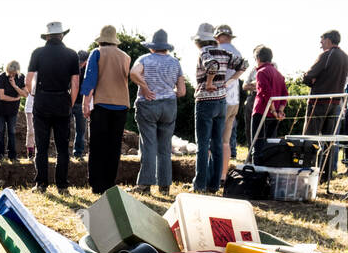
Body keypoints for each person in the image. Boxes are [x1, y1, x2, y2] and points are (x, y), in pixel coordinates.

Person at [191, 23, 246, 194]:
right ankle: (214, 185)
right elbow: (243, 64)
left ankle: (199, 184)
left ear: (199, 40)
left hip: (205, 101)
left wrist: (208, 83)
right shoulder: (224, 52)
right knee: (217, 144)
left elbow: (212, 66)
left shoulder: (204, 52)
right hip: (222, 102)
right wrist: (229, 82)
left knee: (202, 145)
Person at [26, 21, 81, 193]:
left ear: (47, 36)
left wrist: (33, 94)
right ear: (62, 35)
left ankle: (41, 184)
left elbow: (28, 80)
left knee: (41, 147)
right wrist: (69, 102)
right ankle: (62, 186)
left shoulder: (38, 53)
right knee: (62, 148)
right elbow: (75, 83)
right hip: (62, 101)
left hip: (42, 100)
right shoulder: (72, 54)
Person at [130, 28, 185, 195]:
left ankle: (145, 186)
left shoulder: (145, 59)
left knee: (148, 145)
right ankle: (164, 186)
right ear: (166, 47)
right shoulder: (175, 63)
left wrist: (144, 87)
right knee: (165, 147)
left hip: (148, 104)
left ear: (152, 47)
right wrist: (169, 93)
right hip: (169, 106)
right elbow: (182, 91)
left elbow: (133, 73)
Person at [81, 25, 131, 195]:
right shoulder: (126, 57)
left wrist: (85, 103)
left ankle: (96, 184)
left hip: (102, 104)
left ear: (101, 39)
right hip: (122, 105)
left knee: (97, 145)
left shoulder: (97, 52)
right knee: (114, 146)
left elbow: (90, 79)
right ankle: (109, 183)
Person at [302, 30, 348, 177]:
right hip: (335, 103)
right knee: (329, 141)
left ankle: (306, 171)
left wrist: (311, 80)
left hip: (319, 102)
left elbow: (308, 76)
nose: (320, 43)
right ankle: (326, 174)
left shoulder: (327, 55)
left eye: (322, 39)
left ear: (328, 40)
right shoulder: (345, 57)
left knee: (310, 138)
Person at [212, 25, 247, 179]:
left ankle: (211, 175)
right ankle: (223, 175)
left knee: (212, 139)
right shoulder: (237, 52)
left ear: (218, 36)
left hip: (220, 98)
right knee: (226, 142)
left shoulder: (217, 51)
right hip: (234, 100)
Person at [251, 46, 287, 144]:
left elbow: (266, 93)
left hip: (262, 111)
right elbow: (285, 94)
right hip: (274, 115)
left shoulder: (261, 72)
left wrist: (274, 110)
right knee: (270, 146)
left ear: (258, 58)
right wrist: (279, 111)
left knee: (258, 145)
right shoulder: (278, 73)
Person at [0, 60, 27, 160]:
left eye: (13, 72)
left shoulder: (21, 77)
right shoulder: (2, 77)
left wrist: (15, 86)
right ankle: (0, 155)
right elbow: (2, 96)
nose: (12, 74)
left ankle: (12, 156)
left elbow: (25, 94)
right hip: (0, 109)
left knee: (11, 132)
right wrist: (15, 98)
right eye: (10, 72)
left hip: (13, 110)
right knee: (1, 131)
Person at [71, 50, 90, 158]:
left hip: (80, 104)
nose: (80, 63)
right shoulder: (71, 68)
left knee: (81, 130)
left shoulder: (88, 71)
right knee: (65, 129)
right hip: (69, 102)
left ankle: (78, 153)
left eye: (82, 61)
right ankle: (64, 153)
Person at [24, 75, 36, 159]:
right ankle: (30, 153)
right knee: (31, 130)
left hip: (42, 107)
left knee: (41, 131)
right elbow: (27, 90)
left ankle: (40, 152)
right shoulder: (31, 75)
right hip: (30, 107)